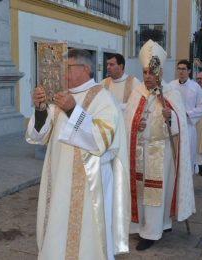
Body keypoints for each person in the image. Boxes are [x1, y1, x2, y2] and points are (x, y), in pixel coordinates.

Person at [26, 49, 131, 260]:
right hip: (58, 177)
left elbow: (102, 139)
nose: (63, 73)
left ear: (85, 69)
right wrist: (39, 109)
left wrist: (74, 111)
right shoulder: (60, 96)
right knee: (57, 230)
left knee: (88, 240)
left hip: (91, 184)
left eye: (67, 68)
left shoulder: (103, 98)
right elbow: (39, 135)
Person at [125, 40, 195, 251]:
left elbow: (180, 123)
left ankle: (152, 231)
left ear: (160, 73)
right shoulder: (137, 92)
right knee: (140, 191)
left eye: (151, 73)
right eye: (144, 72)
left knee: (156, 192)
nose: (147, 76)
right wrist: (137, 124)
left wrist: (170, 117)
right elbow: (127, 120)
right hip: (138, 151)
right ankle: (143, 225)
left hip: (160, 151)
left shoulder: (170, 93)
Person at [169, 60, 202, 173]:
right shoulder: (171, 86)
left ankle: (186, 187)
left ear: (189, 71)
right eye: (179, 69)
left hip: (188, 126)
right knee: (173, 156)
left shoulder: (195, 88)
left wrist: (187, 114)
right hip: (173, 127)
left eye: (183, 69)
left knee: (187, 156)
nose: (180, 71)